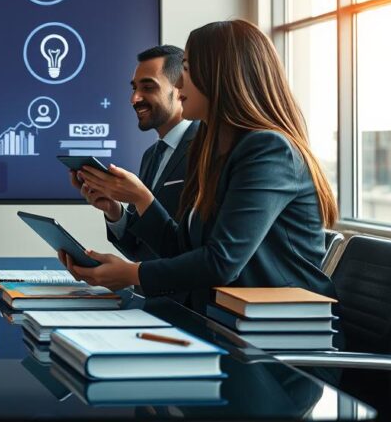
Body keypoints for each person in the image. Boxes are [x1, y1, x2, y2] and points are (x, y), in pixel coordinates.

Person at [62, 20, 336, 311]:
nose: (179, 84)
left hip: (276, 331)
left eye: (187, 70)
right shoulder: (215, 149)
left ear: (220, 76)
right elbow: (184, 250)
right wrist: (141, 200)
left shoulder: (268, 149)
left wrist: (130, 274)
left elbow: (221, 261)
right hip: (224, 319)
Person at [70, 45, 198, 262]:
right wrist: (114, 210)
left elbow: (190, 249)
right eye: (134, 88)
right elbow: (141, 249)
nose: (134, 99)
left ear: (179, 89)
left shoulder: (205, 149)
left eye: (148, 87)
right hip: (151, 292)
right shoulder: (152, 155)